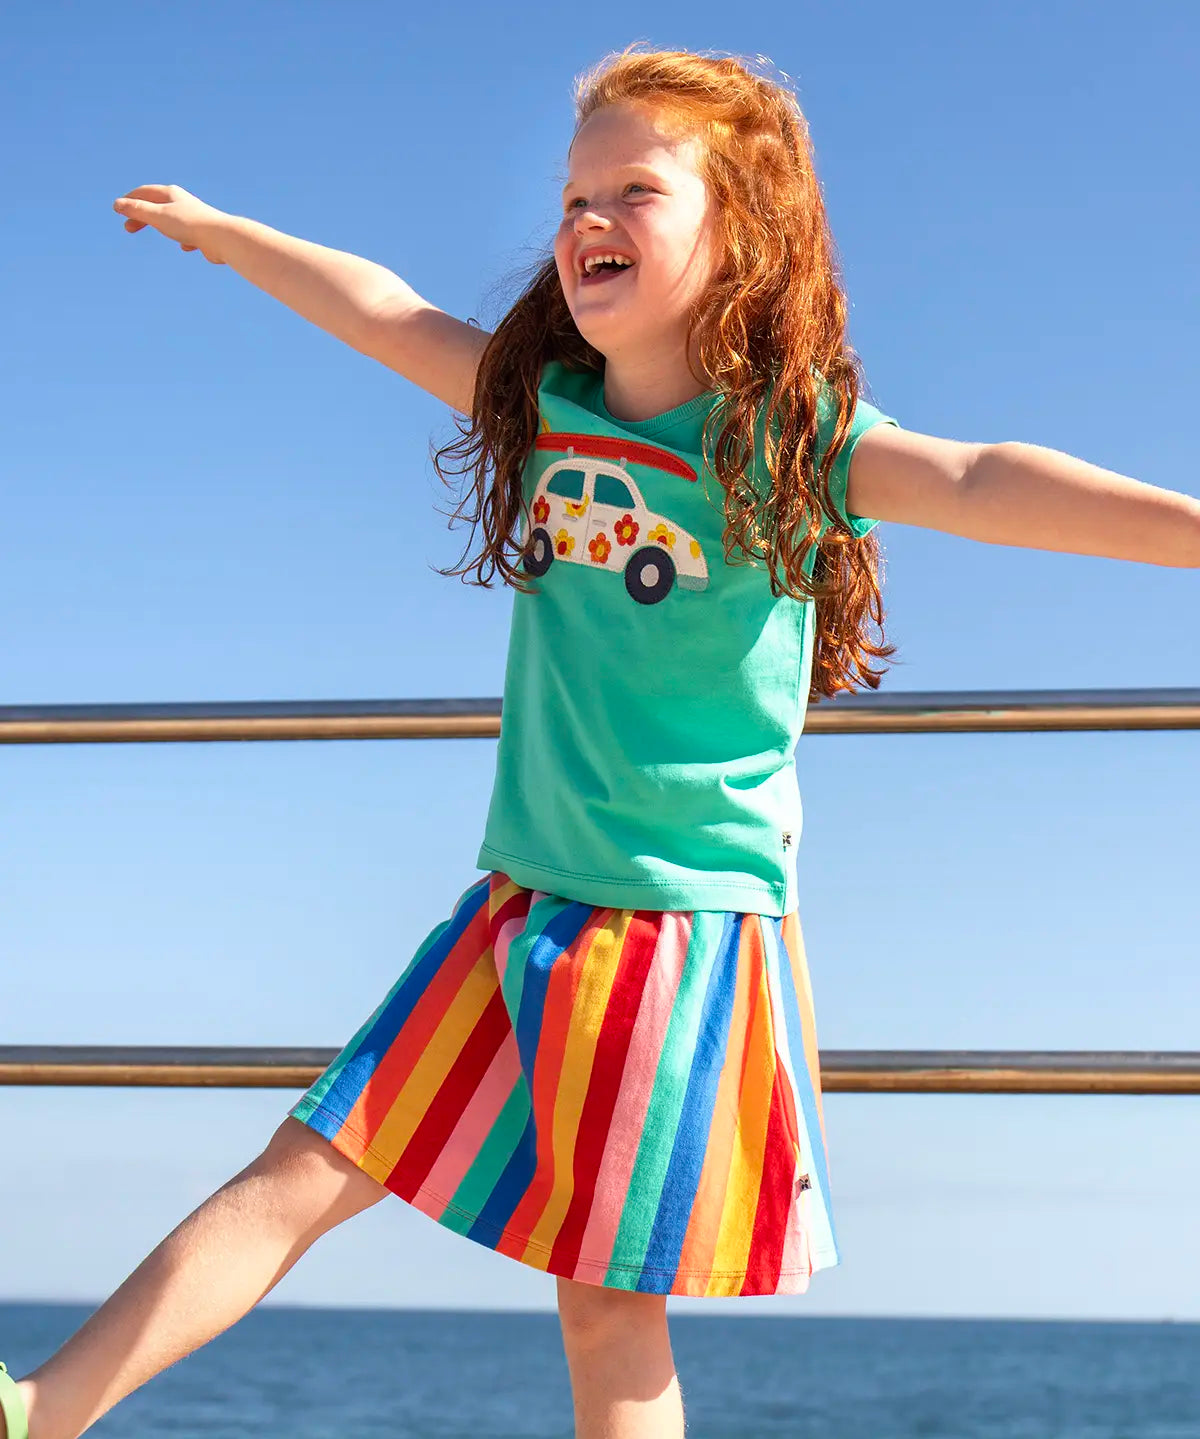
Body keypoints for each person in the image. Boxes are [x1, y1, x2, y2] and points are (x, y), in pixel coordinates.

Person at [3, 43, 1195, 1439]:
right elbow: (385, 312)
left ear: (743, 236)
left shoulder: (782, 445)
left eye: (635, 190)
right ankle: (42, 1410)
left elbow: (987, 478)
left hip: (670, 924)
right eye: (573, 197)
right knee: (304, 1166)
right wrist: (226, 231)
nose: (586, 223)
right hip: (519, 902)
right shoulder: (541, 404)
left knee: (604, 1297)